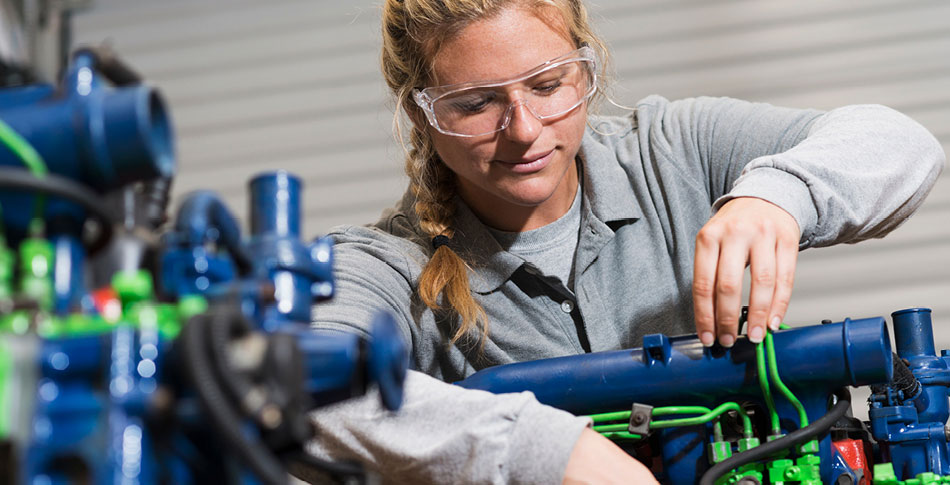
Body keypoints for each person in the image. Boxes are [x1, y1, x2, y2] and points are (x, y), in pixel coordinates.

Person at [303, 0, 945, 483]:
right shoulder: (384, 266)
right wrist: (547, 451)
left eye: (549, 85)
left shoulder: (676, 149)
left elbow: (900, 144)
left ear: (588, 69)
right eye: (475, 104)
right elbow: (298, 389)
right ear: (421, 111)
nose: (524, 130)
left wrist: (778, 195)